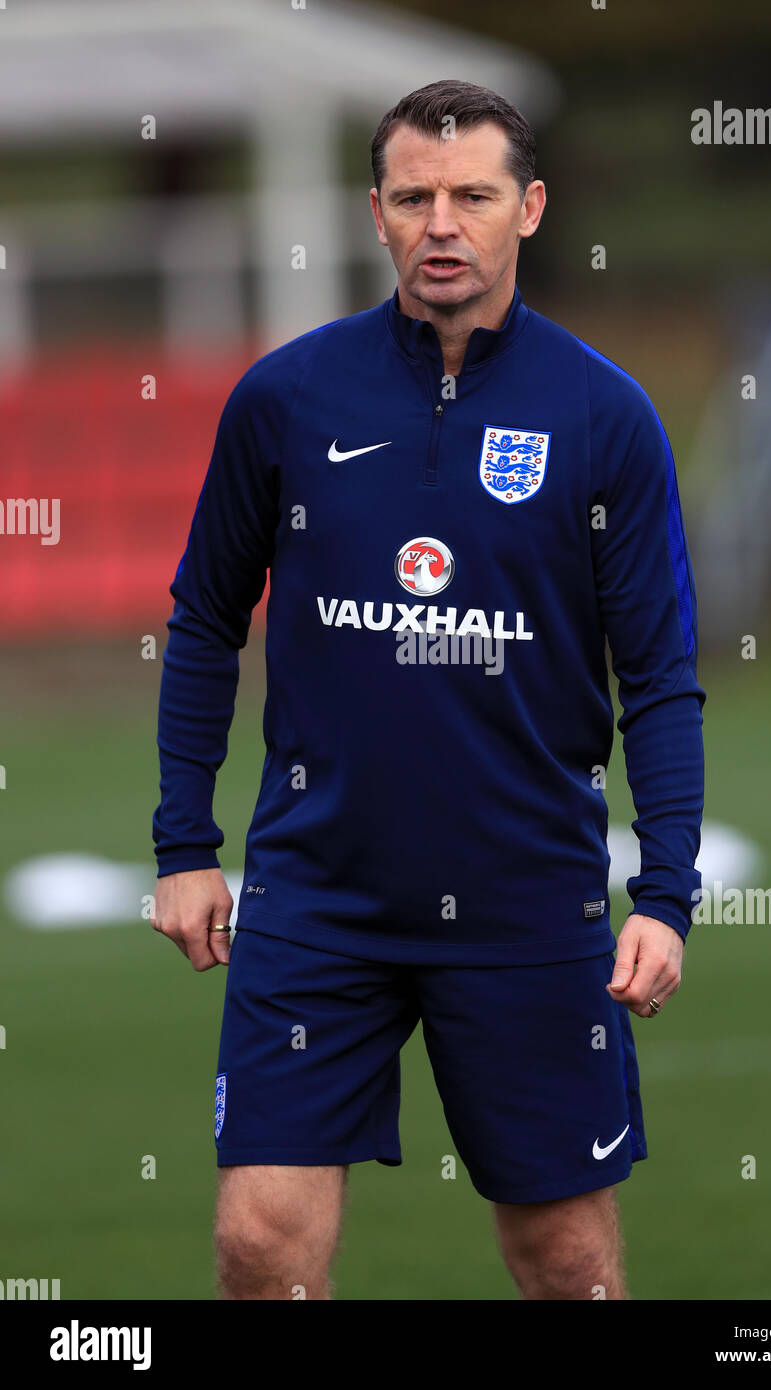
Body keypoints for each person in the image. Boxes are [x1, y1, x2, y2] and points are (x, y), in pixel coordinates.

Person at [151, 78, 705, 1301]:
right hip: (315, 892)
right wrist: (184, 840)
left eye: (473, 195)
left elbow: (661, 677)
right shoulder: (288, 398)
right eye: (415, 196)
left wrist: (666, 889)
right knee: (259, 1242)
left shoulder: (605, 415)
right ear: (378, 213)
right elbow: (201, 619)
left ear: (531, 208)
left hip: (525, 898)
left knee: (562, 1256)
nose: (442, 221)